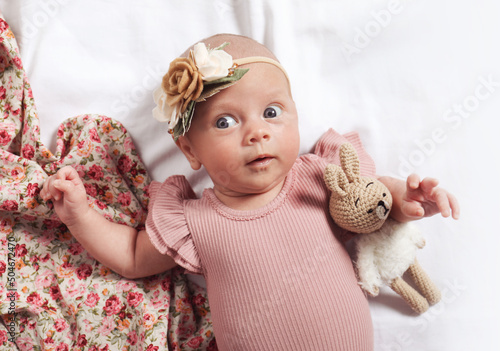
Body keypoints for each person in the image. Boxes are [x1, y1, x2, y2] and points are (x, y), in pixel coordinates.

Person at [39, 33, 460, 350]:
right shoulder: (193, 221)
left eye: (272, 113)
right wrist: (80, 215)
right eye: (225, 122)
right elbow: (131, 256)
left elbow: (370, 203)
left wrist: (403, 201)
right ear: (189, 149)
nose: (257, 132)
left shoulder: (318, 178)